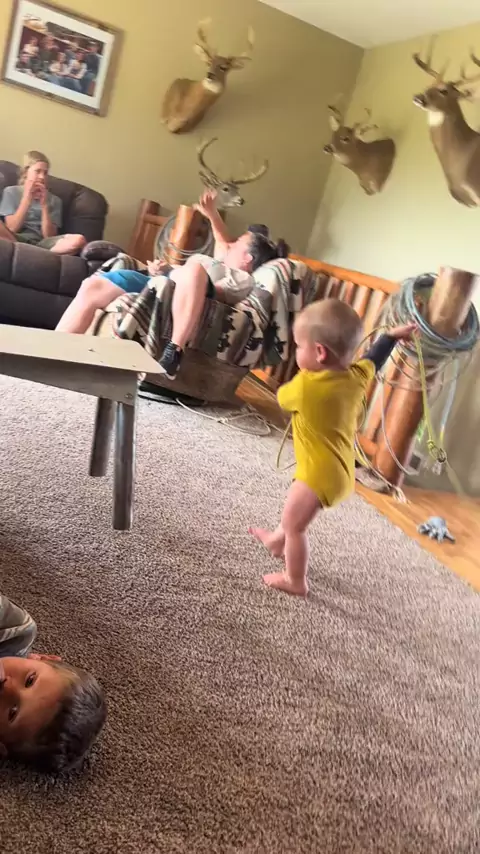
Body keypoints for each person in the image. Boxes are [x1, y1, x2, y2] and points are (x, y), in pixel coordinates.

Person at [249, 299, 418, 596]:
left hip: (318, 476)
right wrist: (391, 336)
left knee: (295, 525)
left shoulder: (305, 387)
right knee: (293, 513)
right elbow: (374, 358)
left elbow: (281, 398)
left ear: (319, 352)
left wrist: (303, 376)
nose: (296, 352)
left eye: (299, 346)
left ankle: (295, 580)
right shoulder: (356, 377)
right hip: (339, 471)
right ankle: (276, 542)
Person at [56, 190, 288, 380]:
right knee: (93, 286)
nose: (232, 243)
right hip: (163, 282)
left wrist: (185, 275)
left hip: (187, 291)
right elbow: (220, 238)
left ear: (248, 258)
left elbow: (218, 295)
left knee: (193, 269)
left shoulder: (242, 277)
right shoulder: (219, 260)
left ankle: (174, 350)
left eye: (238, 243)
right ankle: (53, 354)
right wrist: (166, 269)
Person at [0, 592, 106, 773]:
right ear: (44, 659)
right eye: (30, 680)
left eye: (13, 712)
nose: (7, 687)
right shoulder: (18, 632)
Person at [0, 150, 86, 254]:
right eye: (38, 171)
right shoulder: (11, 192)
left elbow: (49, 236)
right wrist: (27, 198)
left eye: (45, 173)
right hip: (15, 238)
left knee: (79, 240)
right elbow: (12, 228)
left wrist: (44, 205)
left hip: (43, 243)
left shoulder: (55, 200)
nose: (42, 177)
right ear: (26, 172)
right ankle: (29, 252)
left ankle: (35, 253)